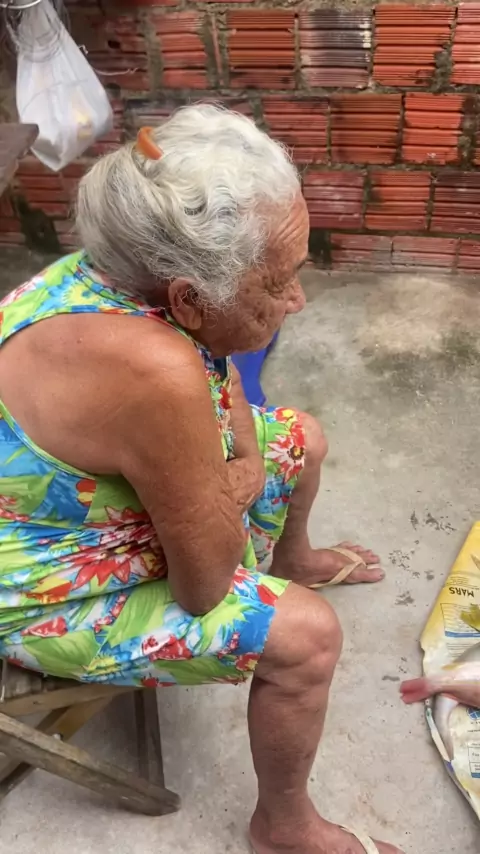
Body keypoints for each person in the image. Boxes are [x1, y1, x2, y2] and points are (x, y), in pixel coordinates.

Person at [0, 106, 401, 854]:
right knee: (307, 637)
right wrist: (222, 494)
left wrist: (242, 463)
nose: (298, 301)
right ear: (187, 298)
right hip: (36, 580)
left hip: (93, 494)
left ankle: (293, 558)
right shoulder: (151, 368)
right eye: (280, 281)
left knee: (302, 439)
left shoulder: (127, 267)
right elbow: (205, 587)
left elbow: (221, 376)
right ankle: (282, 827)